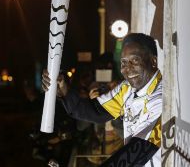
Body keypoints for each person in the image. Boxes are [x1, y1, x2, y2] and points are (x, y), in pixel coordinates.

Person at [42, 33, 162, 166]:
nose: (127, 68)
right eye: (123, 62)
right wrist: (64, 90)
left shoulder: (161, 98)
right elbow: (95, 111)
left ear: (153, 61)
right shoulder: (126, 89)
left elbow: (138, 151)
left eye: (134, 60)